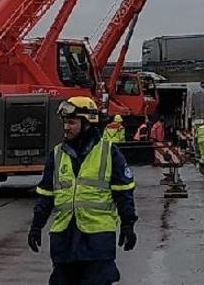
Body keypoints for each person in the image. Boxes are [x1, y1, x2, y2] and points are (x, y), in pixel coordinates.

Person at [28, 96, 138, 285]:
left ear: (87, 123)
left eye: (71, 122)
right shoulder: (56, 155)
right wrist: (36, 226)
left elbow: (123, 193)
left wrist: (128, 225)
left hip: (97, 240)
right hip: (65, 241)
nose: (66, 127)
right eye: (65, 122)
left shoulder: (109, 153)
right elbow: (46, 197)